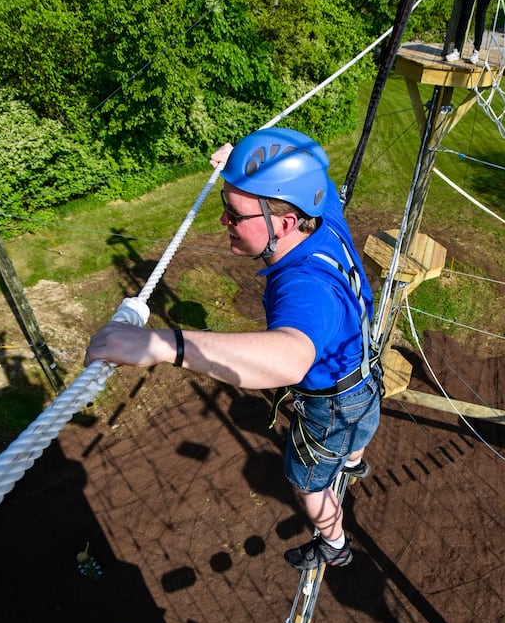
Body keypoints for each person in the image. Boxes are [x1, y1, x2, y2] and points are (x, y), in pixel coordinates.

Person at [85, 128, 383, 571]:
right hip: (362, 373)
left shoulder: (306, 287)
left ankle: (335, 543)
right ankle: (354, 463)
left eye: (234, 213)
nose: (223, 221)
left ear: (282, 224)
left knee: (307, 485)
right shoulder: (320, 213)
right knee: (356, 431)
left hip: (329, 407)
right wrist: (244, 163)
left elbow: (288, 358)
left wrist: (164, 344)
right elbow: (307, 170)